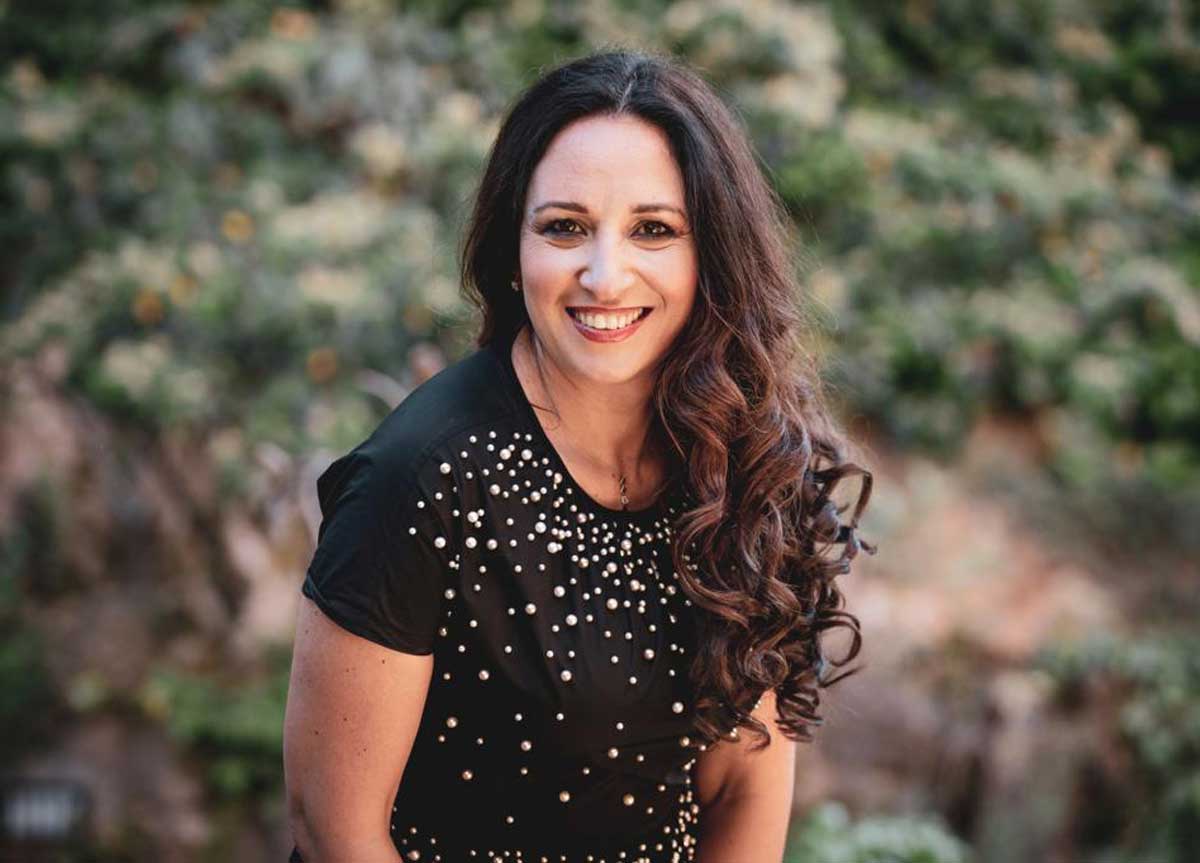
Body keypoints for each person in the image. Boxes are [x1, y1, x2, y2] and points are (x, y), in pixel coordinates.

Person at [282, 48, 876, 863]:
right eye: (564, 227)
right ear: (511, 247)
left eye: (653, 230)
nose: (605, 275)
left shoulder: (748, 458)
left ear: (713, 253)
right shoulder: (419, 479)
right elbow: (334, 829)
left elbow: (745, 782)